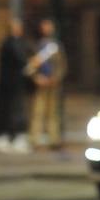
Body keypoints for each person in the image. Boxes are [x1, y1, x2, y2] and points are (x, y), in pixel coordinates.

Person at [24, 18, 66, 150]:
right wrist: (36, 78)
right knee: (38, 112)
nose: (47, 29)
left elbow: (62, 65)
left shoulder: (56, 46)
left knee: (53, 113)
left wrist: (55, 78)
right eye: (45, 26)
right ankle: (34, 139)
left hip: (53, 84)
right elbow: (31, 65)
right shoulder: (36, 46)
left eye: (50, 26)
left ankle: (54, 139)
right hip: (40, 85)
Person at [0, 17, 32, 152]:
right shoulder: (10, 44)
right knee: (13, 110)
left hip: (14, 83)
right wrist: (32, 63)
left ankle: (12, 136)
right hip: (11, 84)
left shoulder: (16, 43)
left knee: (14, 110)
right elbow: (21, 59)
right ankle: (13, 137)